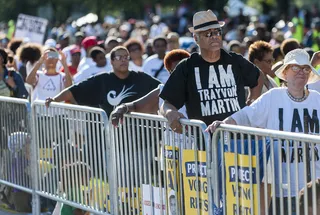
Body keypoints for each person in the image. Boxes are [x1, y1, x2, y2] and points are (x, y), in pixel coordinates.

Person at [206, 49, 320, 214]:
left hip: (313, 186)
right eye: (295, 67)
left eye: (306, 68)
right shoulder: (273, 97)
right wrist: (223, 124)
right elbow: (246, 115)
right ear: (285, 72)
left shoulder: (317, 98)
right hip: (282, 186)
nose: (301, 72)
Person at [159, 10, 263, 133]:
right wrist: (170, 113)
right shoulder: (187, 67)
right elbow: (167, 104)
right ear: (196, 38)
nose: (214, 36)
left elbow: (258, 77)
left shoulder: (235, 60)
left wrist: (250, 103)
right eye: (207, 34)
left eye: (217, 32)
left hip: (239, 139)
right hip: (206, 142)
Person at [45, 46, 161, 117]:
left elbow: (162, 89)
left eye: (126, 57)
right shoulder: (102, 79)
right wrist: (54, 99)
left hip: (141, 139)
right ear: (111, 61)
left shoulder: (141, 77)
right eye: (119, 58)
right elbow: (74, 91)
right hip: (114, 135)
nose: (124, 60)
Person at [111, 49, 190, 126]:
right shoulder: (162, 91)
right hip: (172, 139)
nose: (179, 75)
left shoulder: (199, 88)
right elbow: (135, 106)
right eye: (174, 71)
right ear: (169, 72)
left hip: (198, 138)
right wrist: (120, 109)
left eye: (183, 71)